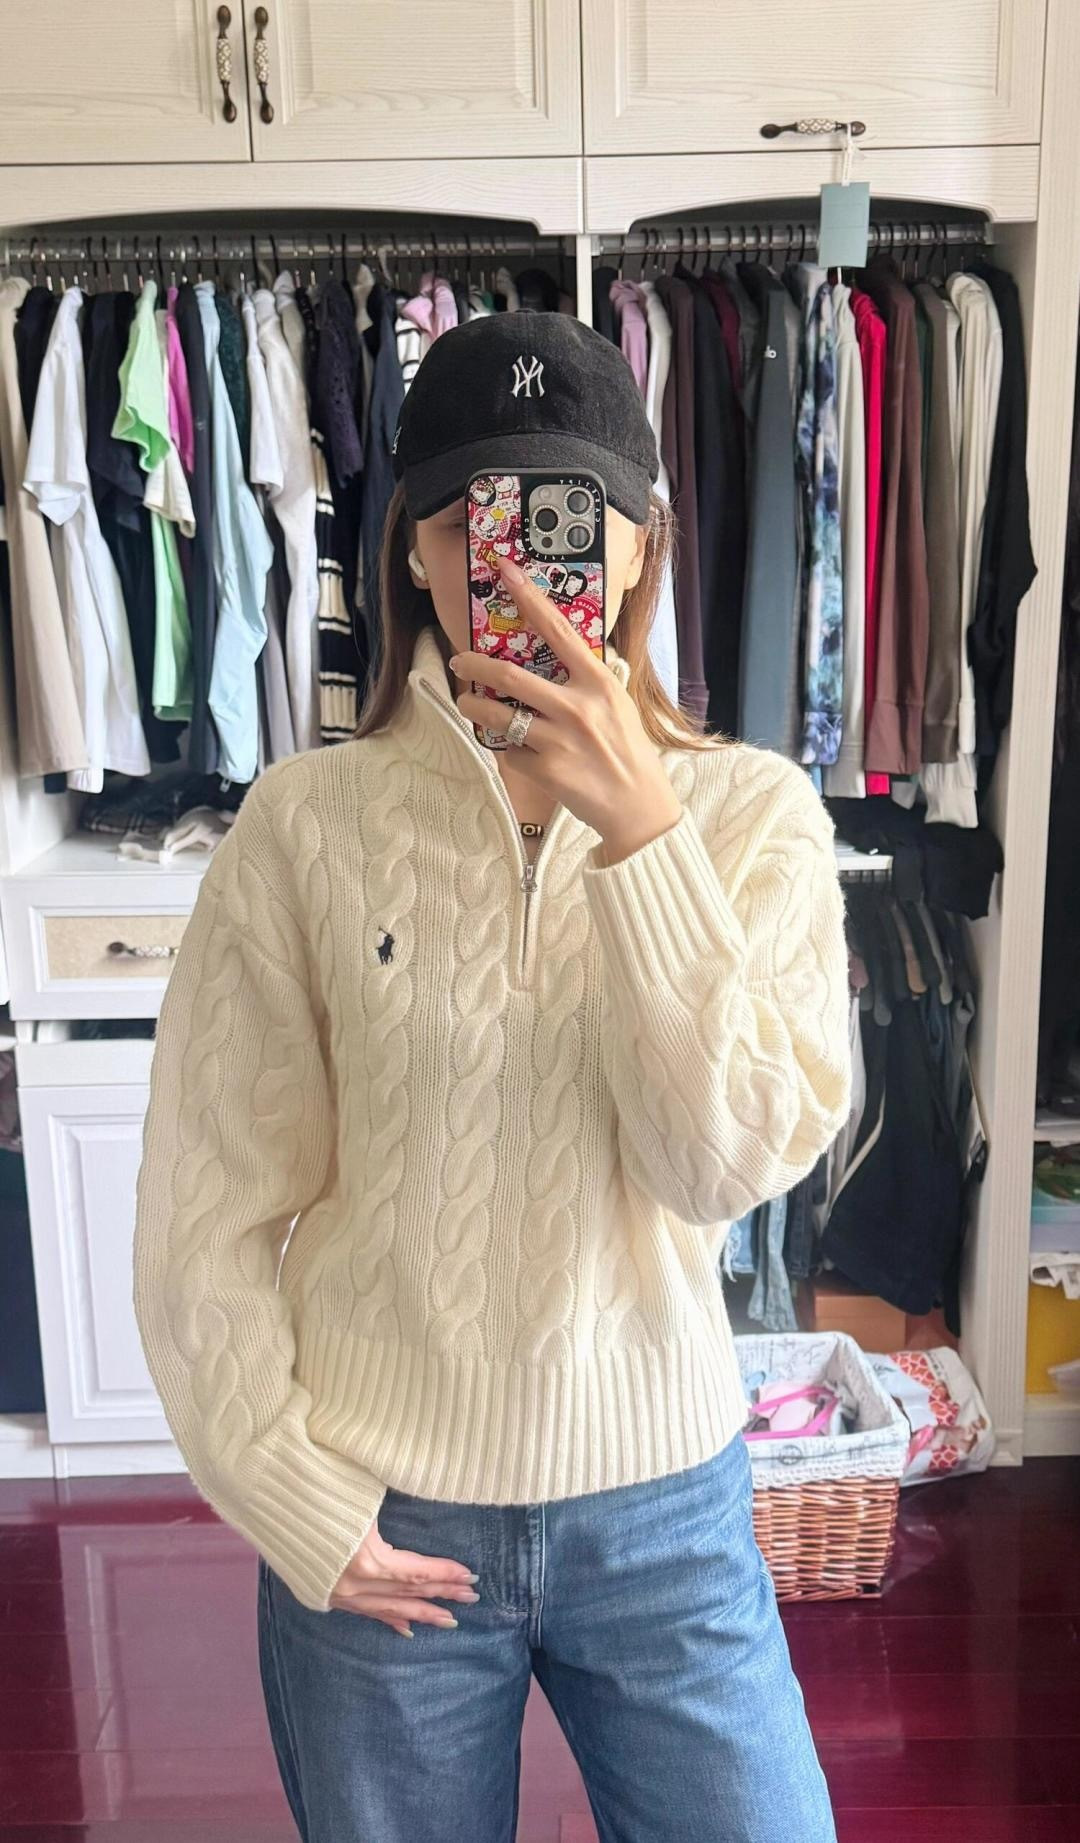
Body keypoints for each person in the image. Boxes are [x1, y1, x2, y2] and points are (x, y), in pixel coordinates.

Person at [132, 310, 851, 1843]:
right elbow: (205, 1208)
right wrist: (283, 1487)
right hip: (379, 1509)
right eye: (472, 515)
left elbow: (722, 1168)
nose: (511, 563)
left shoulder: (753, 818)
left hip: (664, 1510)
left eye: (563, 518)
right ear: (409, 547)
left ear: (640, 549)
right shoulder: (301, 828)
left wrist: (644, 838)